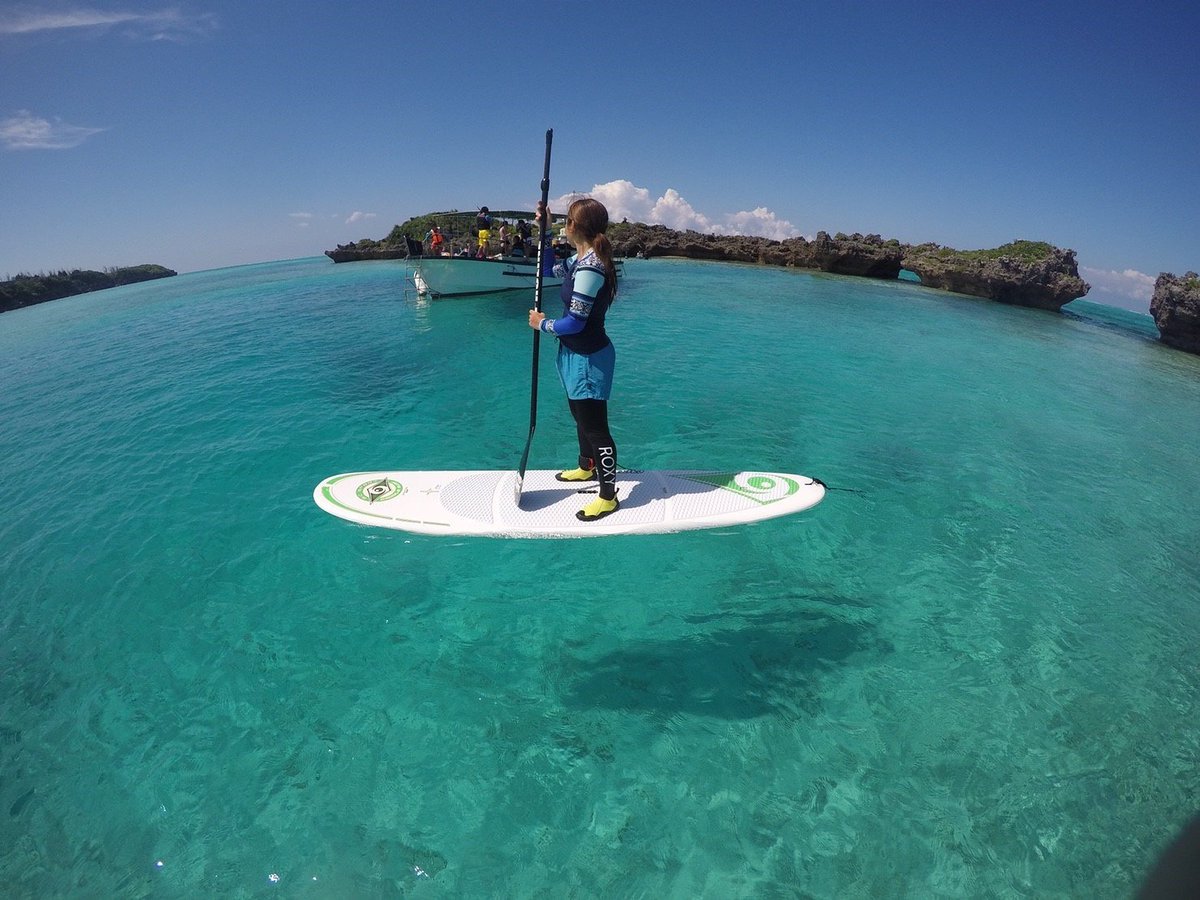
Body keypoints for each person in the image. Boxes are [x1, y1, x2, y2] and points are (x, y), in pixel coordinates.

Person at [527, 197, 620, 522]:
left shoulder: (592, 267)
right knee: (579, 415)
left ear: (574, 227)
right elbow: (548, 268)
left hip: (589, 358)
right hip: (573, 353)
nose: (563, 227)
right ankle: (586, 466)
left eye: (564, 221)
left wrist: (543, 324)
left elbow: (575, 322)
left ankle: (608, 496)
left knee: (595, 427)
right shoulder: (581, 258)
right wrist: (545, 227)